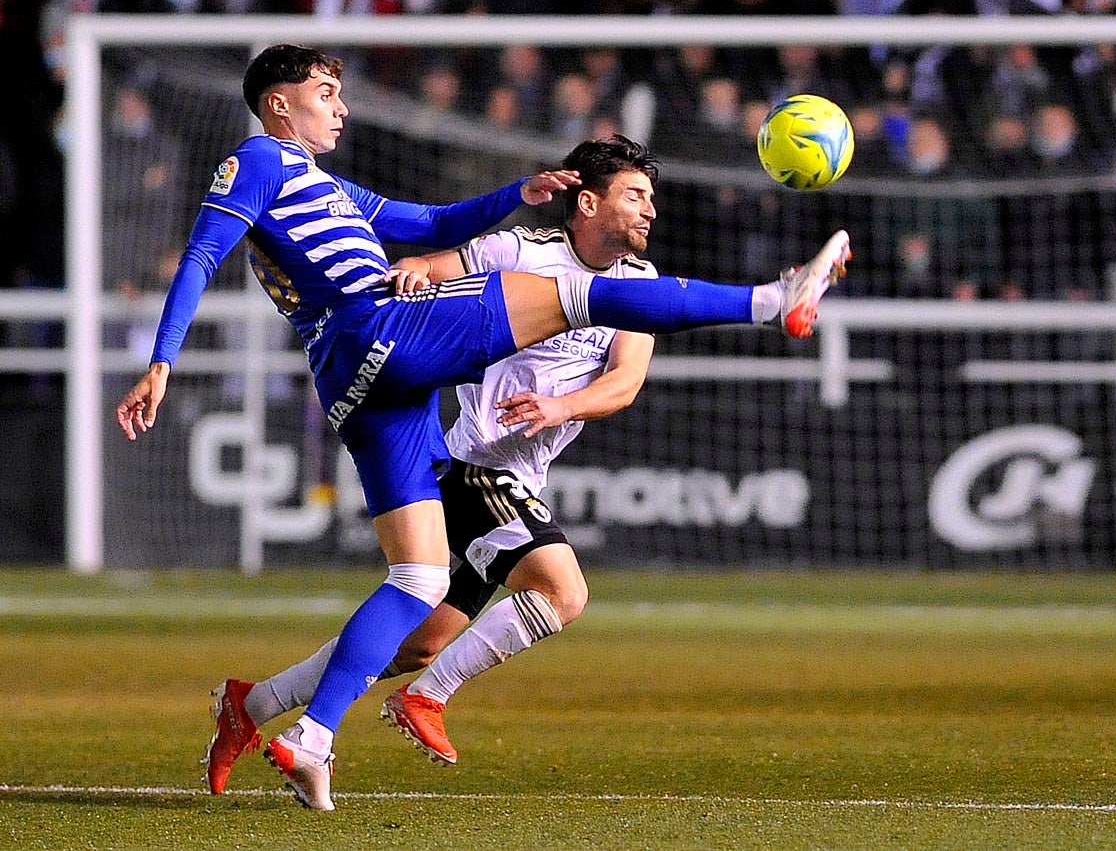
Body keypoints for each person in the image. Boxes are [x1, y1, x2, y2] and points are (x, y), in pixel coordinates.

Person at [115, 44, 851, 812]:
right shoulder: (259, 160)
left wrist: (517, 190)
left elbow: (429, 221)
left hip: (365, 387)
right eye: (326, 92)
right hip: (376, 333)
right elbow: (203, 251)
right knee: (582, 297)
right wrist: (163, 360)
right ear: (277, 103)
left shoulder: (321, 185)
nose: (340, 106)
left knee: (420, 581)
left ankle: (301, 730)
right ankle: (772, 301)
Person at [203, 136, 659, 796]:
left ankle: (251, 705)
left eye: (651, 198)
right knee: (564, 592)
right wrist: (411, 278)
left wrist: (561, 405)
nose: (650, 211)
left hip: (518, 483)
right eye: (636, 195)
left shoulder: (638, 286)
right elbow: (428, 266)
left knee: (417, 644)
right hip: (470, 465)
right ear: (587, 202)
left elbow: (624, 383)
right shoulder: (519, 253)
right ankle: (425, 700)